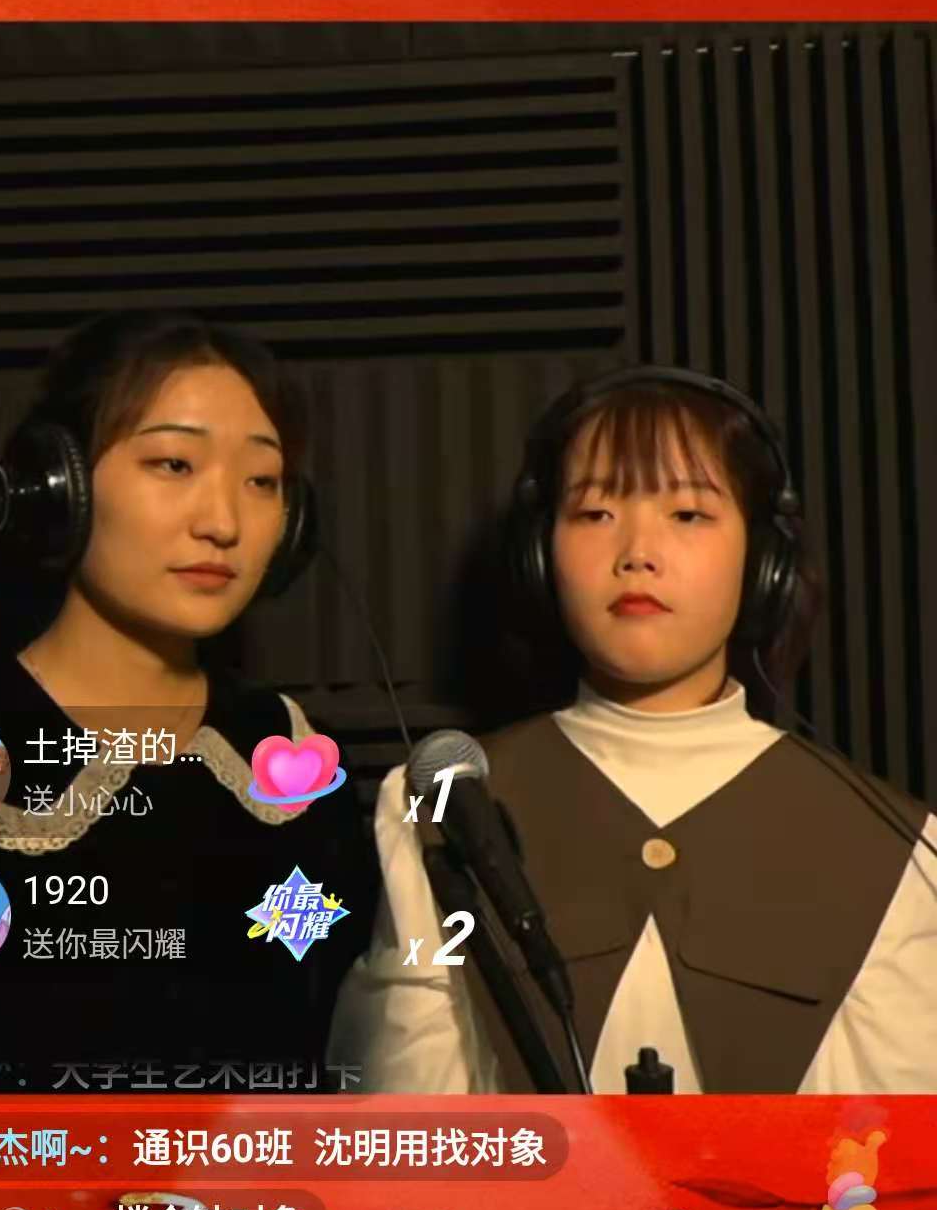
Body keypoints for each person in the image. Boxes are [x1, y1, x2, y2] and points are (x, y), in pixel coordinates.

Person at [329, 367, 937, 1095]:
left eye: (689, 514)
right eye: (595, 514)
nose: (637, 552)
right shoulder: (440, 804)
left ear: (764, 563)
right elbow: (406, 1126)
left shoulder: (900, 848)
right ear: (539, 556)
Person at [0, 309, 376, 1089]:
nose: (224, 522)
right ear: (54, 488)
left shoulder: (297, 766)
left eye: (261, 481)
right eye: (173, 464)